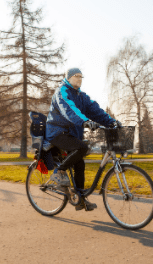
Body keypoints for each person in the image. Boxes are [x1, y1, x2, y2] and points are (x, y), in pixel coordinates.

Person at [44, 67, 120, 211]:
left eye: (81, 76)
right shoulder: (62, 92)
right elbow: (69, 109)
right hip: (57, 132)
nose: (79, 79)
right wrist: (85, 121)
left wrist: (112, 122)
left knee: (80, 164)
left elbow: (95, 110)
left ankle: (80, 199)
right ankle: (59, 173)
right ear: (68, 77)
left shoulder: (81, 96)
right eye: (76, 76)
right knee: (82, 147)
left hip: (71, 134)